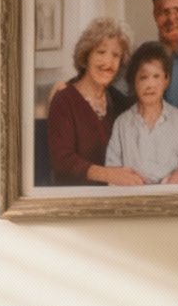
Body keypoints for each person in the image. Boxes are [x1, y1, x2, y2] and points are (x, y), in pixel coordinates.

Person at [46, 16, 138, 186]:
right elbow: (63, 161)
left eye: (116, 55)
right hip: (76, 197)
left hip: (113, 195)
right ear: (87, 54)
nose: (108, 62)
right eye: (101, 52)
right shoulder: (63, 100)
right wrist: (109, 174)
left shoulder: (119, 102)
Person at [106, 43, 178, 185]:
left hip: (171, 194)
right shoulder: (121, 123)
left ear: (166, 80)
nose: (150, 85)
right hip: (133, 195)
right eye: (143, 77)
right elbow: (112, 167)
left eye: (156, 76)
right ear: (134, 82)